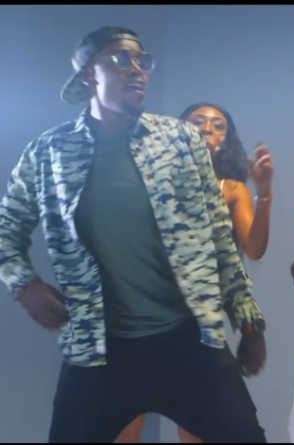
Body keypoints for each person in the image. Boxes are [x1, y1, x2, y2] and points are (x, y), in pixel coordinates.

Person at [0, 27, 268, 442]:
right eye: (120, 59)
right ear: (88, 74)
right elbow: (6, 230)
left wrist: (248, 322)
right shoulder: (49, 151)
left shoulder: (181, 141)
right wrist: (23, 285)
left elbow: (219, 237)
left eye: (143, 60)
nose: (137, 69)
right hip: (98, 350)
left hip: (188, 341)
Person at [116, 103, 274, 443]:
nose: (207, 129)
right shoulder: (148, 178)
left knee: (201, 428)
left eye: (218, 125)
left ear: (226, 139)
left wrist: (264, 194)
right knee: (124, 422)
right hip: (138, 317)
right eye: (197, 121)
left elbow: (253, 249)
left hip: (196, 323)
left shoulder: (230, 188)